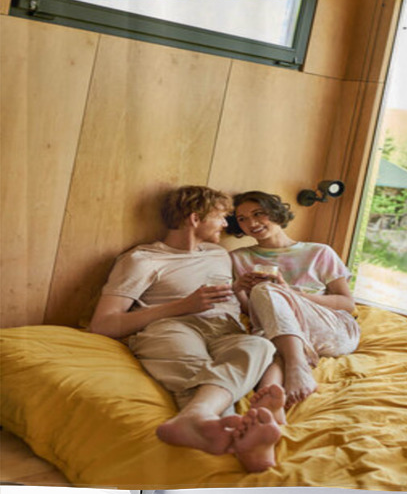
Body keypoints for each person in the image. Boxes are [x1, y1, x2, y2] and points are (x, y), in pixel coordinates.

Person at [89, 185, 286, 472]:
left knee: (260, 346)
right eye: (221, 217)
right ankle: (236, 441)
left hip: (226, 331)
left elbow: (231, 301)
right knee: (195, 364)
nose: (226, 224)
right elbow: (102, 324)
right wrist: (182, 306)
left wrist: (244, 291)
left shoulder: (219, 254)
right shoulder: (143, 260)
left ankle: (198, 420)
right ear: (195, 219)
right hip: (170, 325)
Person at [228, 191, 360, 409]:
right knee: (266, 335)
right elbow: (254, 311)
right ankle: (267, 403)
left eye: (258, 213)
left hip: (332, 328)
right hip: (280, 330)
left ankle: (297, 365)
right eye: (242, 218)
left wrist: (289, 293)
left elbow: (348, 304)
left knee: (266, 294)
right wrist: (239, 289)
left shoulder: (319, 252)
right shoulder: (238, 258)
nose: (251, 222)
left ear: (275, 213)